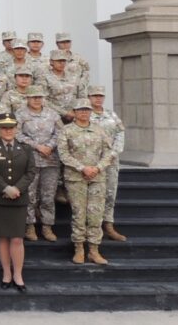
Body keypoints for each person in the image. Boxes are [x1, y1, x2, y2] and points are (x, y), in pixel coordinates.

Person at [0, 112, 36, 292]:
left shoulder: (26, 148)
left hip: (18, 199)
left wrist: (17, 189)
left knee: (17, 239)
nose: (7, 131)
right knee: (3, 238)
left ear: (16, 128)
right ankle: (6, 273)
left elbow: (30, 172)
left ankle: (18, 274)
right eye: (4, 128)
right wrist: (6, 188)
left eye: (11, 127)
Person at [58, 99, 114, 266]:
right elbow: (63, 154)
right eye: (80, 110)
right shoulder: (66, 131)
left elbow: (109, 153)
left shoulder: (99, 130)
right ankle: (79, 248)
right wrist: (82, 168)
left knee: (96, 214)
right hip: (76, 178)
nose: (84, 112)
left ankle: (94, 250)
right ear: (74, 112)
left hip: (97, 178)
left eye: (87, 110)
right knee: (79, 213)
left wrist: (97, 168)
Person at [17, 85, 64, 242]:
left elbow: (60, 133)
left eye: (39, 97)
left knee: (48, 196)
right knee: (29, 195)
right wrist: (37, 146)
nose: (37, 100)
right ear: (28, 98)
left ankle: (47, 226)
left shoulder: (52, 114)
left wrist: (49, 146)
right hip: (30, 160)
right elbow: (16, 134)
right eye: (33, 97)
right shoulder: (20, 114)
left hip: (50, 161)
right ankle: (29, 226)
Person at [89, 85, 128, 241]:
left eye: (101, 96)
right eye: (95, 96)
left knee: (110, 193)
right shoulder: (85, 115)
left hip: (110, 161)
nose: (98, 98)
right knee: (93, 196)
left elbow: (120, 133)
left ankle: (109, 224)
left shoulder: (111, 115)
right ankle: (94, 227)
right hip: (92, 162)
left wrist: (114, 152)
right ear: (89, 97)